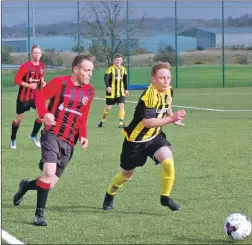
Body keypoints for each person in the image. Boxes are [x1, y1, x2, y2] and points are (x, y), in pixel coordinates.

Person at [13, 55, 95, 226]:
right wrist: (44, 114)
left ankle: (26, 186)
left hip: (70, 142)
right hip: (52, 134)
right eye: (87, 70)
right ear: (76, 69)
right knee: (48, 173)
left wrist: (83, 136)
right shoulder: (61, 83)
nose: (90, 74)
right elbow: (40, 98)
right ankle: (39, 215)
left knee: (49, 182)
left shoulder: (89, 91)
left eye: (91, 70)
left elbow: (83, 117)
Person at [102, 61, 186, 212]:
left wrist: (173, 117)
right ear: (153, 79)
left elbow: (166, 105)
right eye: (162, 78)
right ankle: (110, 193)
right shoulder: (150, 94)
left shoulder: (168, 90)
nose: (166, 81)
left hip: (154, 137)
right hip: (135, 141)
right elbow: (148, 122)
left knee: (168, 162)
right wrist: (171, 119)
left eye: (168, 78)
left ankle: (165, 197)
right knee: (126, 175)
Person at [10, 45, 47, 149]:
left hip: (36, 95)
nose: (37, 54)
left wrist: (43, 82)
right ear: (31, 54)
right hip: (24, 96)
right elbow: (16, 80)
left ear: (41, 54)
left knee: (42, 115)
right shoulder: (25, 66)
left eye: (38, 53)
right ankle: (13, 139)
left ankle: (34, 135)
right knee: (19, 118)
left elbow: (41, 77)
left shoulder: (42, 66)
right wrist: (28, 85)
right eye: (35, 53)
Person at [98, 53, 129, 128]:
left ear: (122, 61)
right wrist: (108, 87)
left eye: (120, 60)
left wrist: (126, 89)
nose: (118, 61)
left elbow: (125, 80)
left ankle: (121, 124)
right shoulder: (110, 69)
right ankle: (102, 121)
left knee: (121, 106)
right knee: (108, 107)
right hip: (111, 91)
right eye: (117, 60)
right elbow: (106, 78)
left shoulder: (124, 69)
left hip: (120, 91)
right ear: (114, 60)